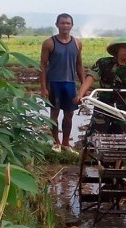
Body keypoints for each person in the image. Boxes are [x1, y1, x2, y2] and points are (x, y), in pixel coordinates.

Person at [74, 35, 126, 137]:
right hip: (103, 103)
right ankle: (91, 149)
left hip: (124, 105)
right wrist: (80, 94)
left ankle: (119, 151)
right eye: (124, 48)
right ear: (117, 49)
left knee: (120, 135)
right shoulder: (103, 63)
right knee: (96, 132)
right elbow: (91, 78)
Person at [40, 13, 84, 154]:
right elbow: (43, 66)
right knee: (54, 114)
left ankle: (66, 143)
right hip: (54, 84)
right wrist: (44, 87)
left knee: (69, 114)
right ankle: (56, 142)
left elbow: (79, 65)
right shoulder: (49, 43)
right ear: (57, 25)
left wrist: (83, 85)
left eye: (68, 23)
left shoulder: (77, 43)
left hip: (70, 84)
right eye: (62, 23)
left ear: (72, 25)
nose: (65, 26)